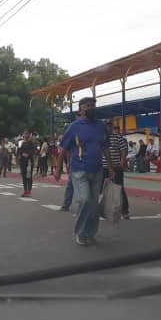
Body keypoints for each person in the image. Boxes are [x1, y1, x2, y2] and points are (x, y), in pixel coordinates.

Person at [55, 97, 113, 246]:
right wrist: (58, 169)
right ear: (80, 109)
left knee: (93, 204)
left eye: (93, 105)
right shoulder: (74, 127)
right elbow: (63, 150)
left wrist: (111, 167)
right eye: (88, 106)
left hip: (98, 170)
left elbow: (105, 147)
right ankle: (80, 233)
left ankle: (90, 234)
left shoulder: (100, 126)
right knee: (86, 200)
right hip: (79, 170)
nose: (91, 108)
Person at [101, 123, 130, 220]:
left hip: (116, 167)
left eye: (109, 127)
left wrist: (122, 162)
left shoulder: (118, 138)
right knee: (103, 189)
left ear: (112, 128)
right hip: (104, 167)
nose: (108, 129)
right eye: (106, 127)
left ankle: (125, 211)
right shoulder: (101, 138)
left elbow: (124, 150)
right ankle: (106, 210)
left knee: (119, 188)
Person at [17, 130, 36, 197]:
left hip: (29, 162)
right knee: (24, 177)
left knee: (29, 177)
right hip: (22, 161)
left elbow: (33, 151)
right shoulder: (20, 142)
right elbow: (18, 151)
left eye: (27, 133)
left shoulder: (31, 142)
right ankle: (25, 191)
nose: (26, 135)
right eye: (24, 133)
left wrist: (28, 154)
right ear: (23, 135)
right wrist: (20, 155)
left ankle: (29, 191)